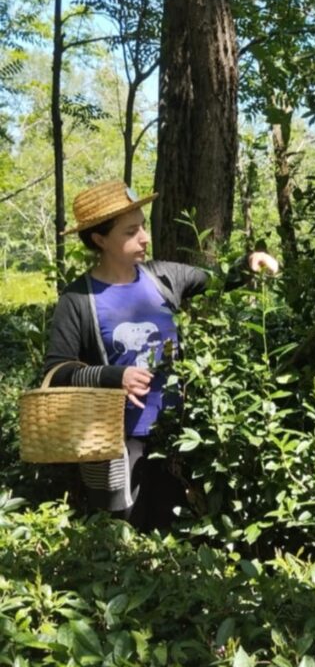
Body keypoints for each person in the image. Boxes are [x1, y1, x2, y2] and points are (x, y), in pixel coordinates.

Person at [42, 179, 279, 531]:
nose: (145, 238)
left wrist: (250, 262)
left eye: (143, 226)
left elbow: (217, 279)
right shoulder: (78, 299)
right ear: (100, 240)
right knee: (122, 536)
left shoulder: (164, 277)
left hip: (178, 437)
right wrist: (113, 377)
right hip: (116, 445)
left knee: (176, 537)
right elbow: (56, 371)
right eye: (131, 231)